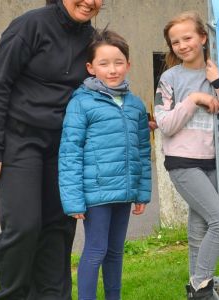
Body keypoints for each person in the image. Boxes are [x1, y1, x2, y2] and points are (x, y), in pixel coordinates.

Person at [0, 0, 102, 299]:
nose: (90, 2)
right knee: (23, 226)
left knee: (59, 229)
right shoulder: (30, 26)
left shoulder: (92, 40)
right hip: (20, 140)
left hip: (64, 146)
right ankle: (12, 295)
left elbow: (100, 89)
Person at [59, 29, 151, 300]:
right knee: (96, 249)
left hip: (124, 193)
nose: (112, 69)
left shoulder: (135, 105)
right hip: (95, 193)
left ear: (128, 65)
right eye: (104, 63)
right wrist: (73, 200)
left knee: (115, 251)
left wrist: (142, 192)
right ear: (90, 67)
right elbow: (70, 152)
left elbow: (143, 152)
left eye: (118, 62)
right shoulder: (81, 103)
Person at [155, 11, 219, 300]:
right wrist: (193, 99)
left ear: (202, 37)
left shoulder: (217, 72)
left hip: (213, 161)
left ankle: (196, 290)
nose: (182, 45)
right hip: (183, 164)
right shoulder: (170, 78)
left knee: (199, 228)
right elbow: (166, 124)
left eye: (187, 38)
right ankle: (202, 288)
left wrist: (217, 84)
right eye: (175, 42)